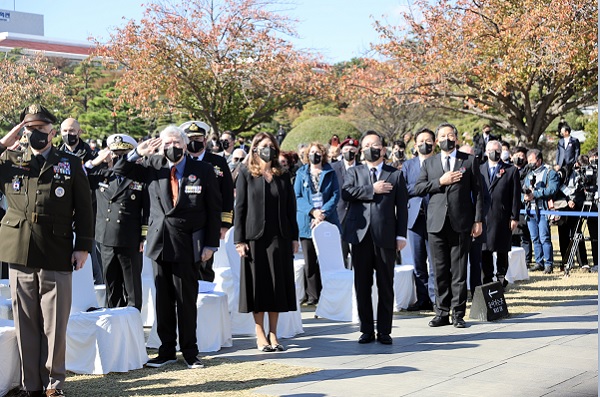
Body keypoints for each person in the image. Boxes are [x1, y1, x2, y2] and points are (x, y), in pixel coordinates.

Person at [0, 104, 94, 397]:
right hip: (19, 248)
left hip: (57, 248)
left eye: (40, 129)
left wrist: (83, 247)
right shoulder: (10, 159)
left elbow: (85, 207)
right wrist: (6, 140)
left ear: (52, 132)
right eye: (30, 129)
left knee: (54, 322)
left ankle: (54, 382)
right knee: (25, 320)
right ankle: (31, 384)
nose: (35, 134)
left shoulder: (69, 162)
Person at [114, 125, 221, 369]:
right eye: (168, 144)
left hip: (188, 242)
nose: (173, 148)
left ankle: (191, 352)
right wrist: (136, 153)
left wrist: (211, 244)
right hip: (160, 241)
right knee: (162, 300)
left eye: (177, 143)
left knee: (186, 299)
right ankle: (166, 350)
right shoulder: (152, 164)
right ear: (162, 146)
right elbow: (120, 169)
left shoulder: (202, 169)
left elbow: (214, 209)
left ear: (185, 144)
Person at [234, 132, 299, 352]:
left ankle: (274, 332)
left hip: (279, 236)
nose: (267, 149)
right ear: (254, 149)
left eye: (271, 146)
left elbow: (291, 208)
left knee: (276, 286)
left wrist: (294, 237)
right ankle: (259, 332)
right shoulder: (245, 173)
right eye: (263, 146)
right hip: (254, 238)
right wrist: (239, 240)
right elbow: (240, 208)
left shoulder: (282, 174)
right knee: (258, 286)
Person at [414, 122, 483, 329]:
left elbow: (479, 193)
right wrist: (440, 182)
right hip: (436, 223)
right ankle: (441, 312)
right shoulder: (429, 163)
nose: (447, 139)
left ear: (456, 138)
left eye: (450, 135)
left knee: (459, 271)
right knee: (439, 270)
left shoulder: (469, 161)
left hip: (461, 222)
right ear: (437, 141)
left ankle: (458, 313)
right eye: (442, 136)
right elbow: (418, 188)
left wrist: (478, 220)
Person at [342, 131, 408, 345]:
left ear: (383, 149)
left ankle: (385, 330)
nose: (372, 148)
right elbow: (346, 193)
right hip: (360, 237)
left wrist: (401, 235)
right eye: (367, 145)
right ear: (362, 151)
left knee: (385, 284)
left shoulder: (395, 174)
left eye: (376, 145)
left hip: (386, 236)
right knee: (362, 285)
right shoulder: (355, 172)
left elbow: (402, 208)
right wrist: (373, 189)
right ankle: (366, 330)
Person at [88, 134, 148, 311]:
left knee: (132, 289)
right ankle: (114, 329)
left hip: (130, 239)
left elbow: (147, 209)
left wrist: (143, 237)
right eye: (114, 153)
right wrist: (94, 161)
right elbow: (80, 175)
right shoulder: (101, 175)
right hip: (106, 239)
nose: (117, 157)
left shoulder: (141, 177)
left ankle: (132, 328)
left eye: (123, 153)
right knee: (111, 287)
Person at [180, 121, 234, 282]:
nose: (194, 142)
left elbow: (227, 194)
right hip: (184, 222)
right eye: (190, 139)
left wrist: (224, 224)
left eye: (198, 138)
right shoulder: (181, 161)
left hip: (209, 222)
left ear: (205, 140)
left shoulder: (218, 162)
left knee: (205, 265)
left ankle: (205, 304)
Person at [294, 142, 340, 305]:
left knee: (327, 260)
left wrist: (322, 214)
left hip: (327, 221)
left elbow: (335, 195)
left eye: (318, 152)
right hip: (307, 222)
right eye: (312, 152)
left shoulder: (330, 172)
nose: (315, 155)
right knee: (310, 261)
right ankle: (313, 296)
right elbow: (297, 196)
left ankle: (330, 294)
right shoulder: (301, 173)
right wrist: (313, 212)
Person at [59, 118, 104, 286]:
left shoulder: (92, 155)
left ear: (79, 132)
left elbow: (95, 184)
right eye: (65, 131)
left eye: (72, 131)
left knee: (94, 260)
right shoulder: (57, 154)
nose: (68, 134)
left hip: (88, 214)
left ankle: (99, 291)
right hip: (64, 216)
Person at [401, 128, 435, 311]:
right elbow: (404, 189)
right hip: (414, 218)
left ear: (434, 143)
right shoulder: (408, 165)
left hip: (435, 217)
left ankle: (435, 298)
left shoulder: (439, 163)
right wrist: (425, 187)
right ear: (415, 145)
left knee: (435, 261)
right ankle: (423, 299)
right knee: (418, 261)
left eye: (428, 141)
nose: (424, 144)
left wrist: (423, 187)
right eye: (421, 141)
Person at [480, 141, 520, 288]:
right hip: (484, 216)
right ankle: (487, 278)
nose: (494, 153)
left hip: (502, 216)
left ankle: (501, 276)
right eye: (491, 150)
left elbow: (515, 196)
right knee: (485, 249)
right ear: (486, 151)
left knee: (502, 247)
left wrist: (514, 217)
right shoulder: (479, 169)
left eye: (497, 150)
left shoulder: (511, 170)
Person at [523, 149, 560, 274]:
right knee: (535, 238)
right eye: (528, 161)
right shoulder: (529, 174)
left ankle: (548, 263)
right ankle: (539, 262)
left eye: (532, 161)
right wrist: (525, 196)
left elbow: (553, 190)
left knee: (545, 237)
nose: (530, 163)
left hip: (543, 209)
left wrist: (536, 194)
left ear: (539, 160)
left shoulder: (550, 173)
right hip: (530, 210)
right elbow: (524, 189)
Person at [331, 138, 360, 268]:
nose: (349, 152)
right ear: (341, 151)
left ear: (357, 151)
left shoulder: (362, 168)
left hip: (358, 215)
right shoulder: (333, 168)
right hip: (339, 214)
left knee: (358, 255)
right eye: (346, 150)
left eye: (352, 150)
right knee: (339, 254)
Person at [511, 146, 533, 263]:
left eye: (522, 156)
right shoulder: (508, 170)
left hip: (524, 206)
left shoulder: (528, 171)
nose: (519, 158)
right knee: (513, 234)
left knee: (524, 235)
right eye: (517, 156)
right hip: (511, 207)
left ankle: (527, 260)